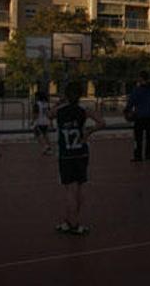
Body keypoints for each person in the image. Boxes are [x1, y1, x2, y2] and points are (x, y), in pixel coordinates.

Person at [50, 82, 105, 235]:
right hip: (81, 153)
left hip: (66, 155)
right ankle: (71, 221)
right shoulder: (84, 110)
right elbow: (102, 123)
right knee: (79, 188)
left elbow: (48, 114)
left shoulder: (59, 111)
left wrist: (61, 102)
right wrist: (89, 132)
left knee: (69, 190)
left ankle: (72, 223)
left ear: (66, 95)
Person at [125, 71, 150, 162]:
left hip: (140, 117)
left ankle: (138, 156)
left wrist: (127, 110)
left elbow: (131, 101)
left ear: (140, 78)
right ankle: (149, 156)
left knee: (138, 138)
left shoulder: (137, 90)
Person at [31, 91, 53, 155]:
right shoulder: (46, 103)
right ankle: (49, 147)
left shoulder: (37, 104)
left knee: (37, 135)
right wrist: (50, 121)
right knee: (45, 135)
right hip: (46, 121)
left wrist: (32, 121)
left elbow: (36, 114)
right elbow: (49, 113)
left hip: (39, 122)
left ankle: (44, 147)